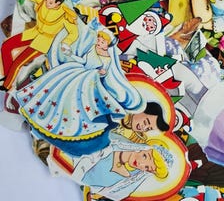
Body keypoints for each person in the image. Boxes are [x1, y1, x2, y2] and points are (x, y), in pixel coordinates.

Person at [15, 28, 144, 156]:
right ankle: (47, 114)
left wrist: (102, 73)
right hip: (78, 72)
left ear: (107, 44)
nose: (99, 43)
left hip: (91, 80)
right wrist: (71, 55)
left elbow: (105, 71)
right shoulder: (93, 49)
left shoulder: (108, 58)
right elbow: (84, 61)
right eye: (98, 41)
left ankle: (74, 125)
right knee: (61, 90)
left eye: (102, 42)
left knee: (82, 103)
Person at [1, 0, 78, 91]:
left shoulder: (65, 15)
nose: (47, 4)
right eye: (46, 0)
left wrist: (66, 43)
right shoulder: (42, 2)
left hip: (43, 42)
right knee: (6, 46)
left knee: (18, 62)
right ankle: (8, 76)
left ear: (58, 3)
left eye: (50, 2)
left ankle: (7, 85)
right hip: (33, 33)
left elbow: (74, 32)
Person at [71, 133, 173, 201]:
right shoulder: (113, 142)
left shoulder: (129, 182)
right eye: (145, 156)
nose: (141, 164)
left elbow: (102, 194)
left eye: (147, 168)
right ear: (143, 148)